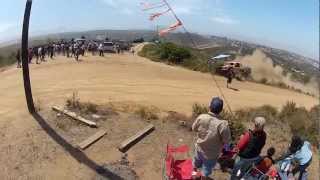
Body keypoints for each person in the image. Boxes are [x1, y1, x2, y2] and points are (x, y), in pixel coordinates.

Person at [192, 97, 231, 179]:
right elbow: (227, 141)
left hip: (199, 149)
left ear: (209, 106)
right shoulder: (223, 124)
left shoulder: (202, 117)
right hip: (211, 155)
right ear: (221, 110)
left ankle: (193, 176)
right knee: (205, 172)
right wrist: (226, 151)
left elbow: (193, 128)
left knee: (195, 165)